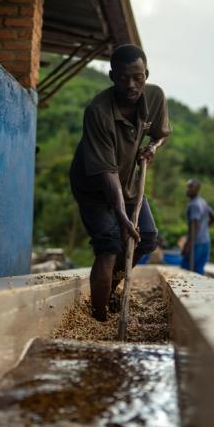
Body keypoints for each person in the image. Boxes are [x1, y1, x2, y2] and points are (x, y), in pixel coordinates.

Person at [69, 44, 171, 322]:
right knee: (109, 243)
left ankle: (109, 286)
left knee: (147, 238)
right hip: (94, 185)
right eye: (124, 77)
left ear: (146, 74)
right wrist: (121, 216)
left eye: (138, 77)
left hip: (128, 181)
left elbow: (160, 134)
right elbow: (106, 173)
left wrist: (153, 147)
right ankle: (98, 317)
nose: (131, 85)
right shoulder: (98, 112)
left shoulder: (154, 96)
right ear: (112, 76)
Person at [181, 179, 214, 274]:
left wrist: (187, 245)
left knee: (186, 269)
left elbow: (195, 226)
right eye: (187, 187)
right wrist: (204, 228)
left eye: (190, 187)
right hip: (205, 241)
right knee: (199, 270)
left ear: (196, 190)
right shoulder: (202, 202)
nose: (187, 190)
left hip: (196, 244)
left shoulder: (194, 205)